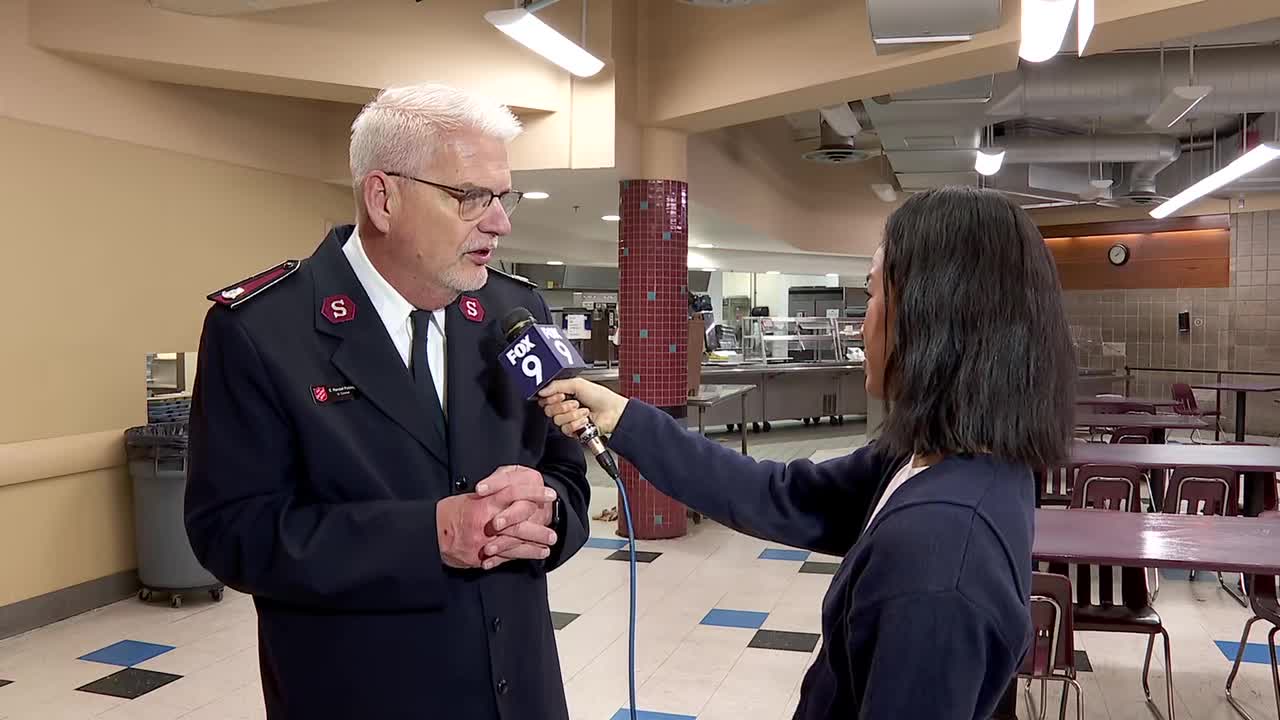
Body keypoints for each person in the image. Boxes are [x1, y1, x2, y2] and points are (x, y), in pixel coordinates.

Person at [536, 186, 1076, 719]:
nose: (861, 324)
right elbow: (781, 495)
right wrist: (624, 420)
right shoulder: (939, 459)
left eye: (871, 295)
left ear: (934, 317)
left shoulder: (938, 556)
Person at [184, 84, 591, 720]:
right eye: (469, 197)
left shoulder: (517, 312)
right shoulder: (261, 329)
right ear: (384, 197)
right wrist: (427, 535)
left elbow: (568, 471)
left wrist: (550, 513)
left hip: (521, 692)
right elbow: (232, 532)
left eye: (501, 198)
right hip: (362, 693)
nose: (500, 222)